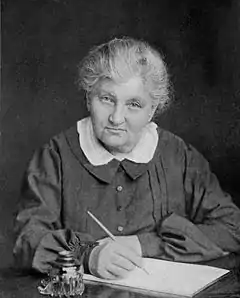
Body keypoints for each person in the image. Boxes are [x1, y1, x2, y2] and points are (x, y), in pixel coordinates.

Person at [13, 37, 240, 280]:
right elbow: (27, 238)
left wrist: (143, 245)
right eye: (107, 99)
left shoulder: (178, 155)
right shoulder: (55, 156)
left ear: (152, 109)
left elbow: (231, 228)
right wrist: (88, 254)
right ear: (88, 98)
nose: (117, 118)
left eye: (133, 104)